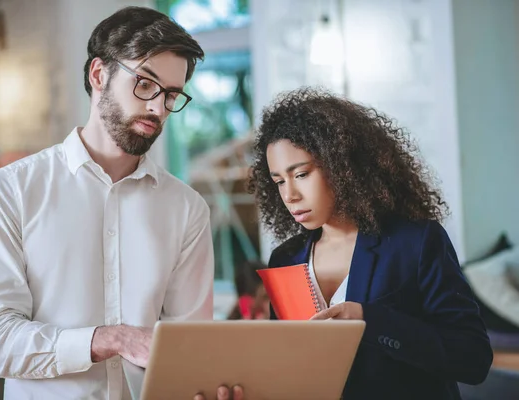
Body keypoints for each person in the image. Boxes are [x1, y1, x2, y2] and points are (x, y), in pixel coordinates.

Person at [0, 6, 214, 400]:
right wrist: (109, 339)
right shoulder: (9, 191)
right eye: (146, 85)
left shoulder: (188, 209)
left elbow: (190, 350)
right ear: (99, 75)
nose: (158, 108)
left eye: (171, 95)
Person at [197, 88, 492, 400]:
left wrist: (369, 319)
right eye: (279, 181)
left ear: (341, 165)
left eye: (301, 174)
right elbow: (288, 371)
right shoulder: (286, 259)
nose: (290, 195)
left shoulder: (415, 243)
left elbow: (472, 359)